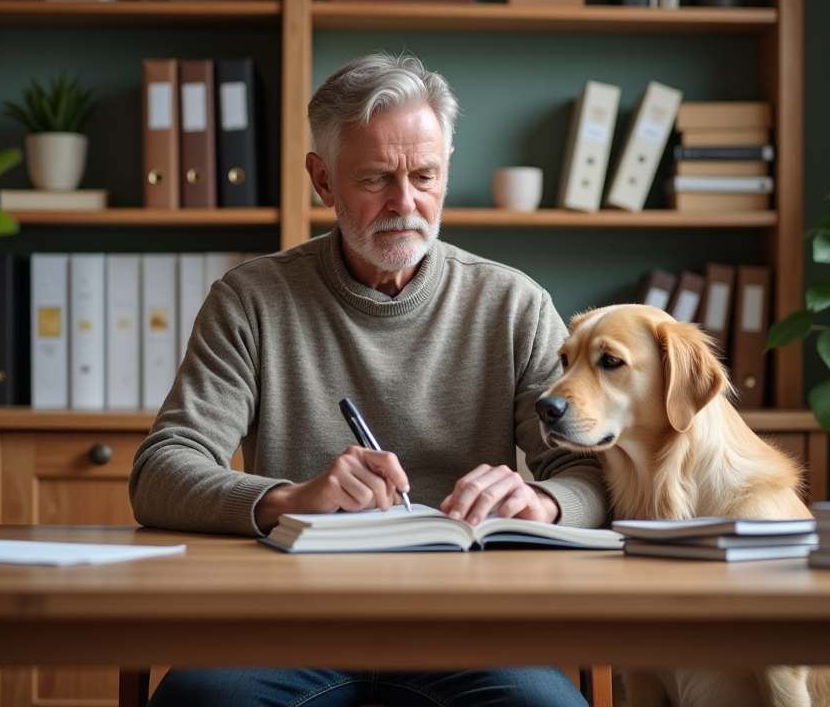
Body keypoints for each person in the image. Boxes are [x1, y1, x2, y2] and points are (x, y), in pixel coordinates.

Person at [130, 52, 608, 707]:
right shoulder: (251, 300)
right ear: (322, 181)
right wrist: (289, 500)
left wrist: (543, 504)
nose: (405, 203)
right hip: (288, 622)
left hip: (467, 626)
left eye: (425, 175)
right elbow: (161, 471)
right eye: (377, 178)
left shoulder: (513, 304)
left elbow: (594, 473)